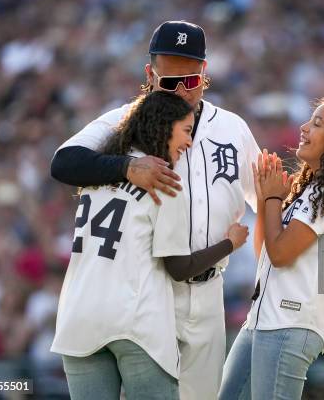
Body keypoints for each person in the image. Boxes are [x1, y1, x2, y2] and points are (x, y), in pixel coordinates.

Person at [50, 21, 260, 399]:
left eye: (191, 80)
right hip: (151, 292)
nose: (180, 91)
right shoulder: (124, 121)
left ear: (205, 73)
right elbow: (64, 163)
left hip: (208, 289)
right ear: (150, 75)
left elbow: (269, 200)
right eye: (169, 82)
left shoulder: (233, 129)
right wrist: (127, 167)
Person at [219, 95, 324, 400]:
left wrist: (274, 199)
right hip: (264, 320)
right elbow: (265, 252)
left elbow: (280, 255)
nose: (304, 127)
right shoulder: (310, 187)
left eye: (317, 123)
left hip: (290, 324)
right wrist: (267, 198)